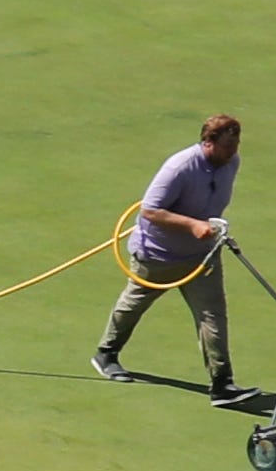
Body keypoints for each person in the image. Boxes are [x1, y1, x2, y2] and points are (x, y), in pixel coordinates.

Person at [96, 113, 243, 396]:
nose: (232, 153)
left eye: (236, 146)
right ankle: (106, 354)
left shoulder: (231, 163)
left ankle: (222, 383)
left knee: (213, 316)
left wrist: (211, 228)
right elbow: (149, 210)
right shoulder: (180, 167)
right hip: (158, 255)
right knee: (132, 306)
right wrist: (192, 224)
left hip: (201, 257)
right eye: (227, 147)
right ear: (208, 141)